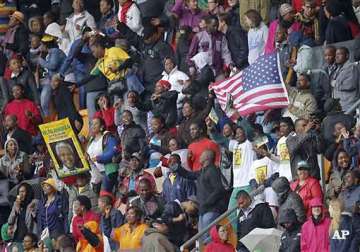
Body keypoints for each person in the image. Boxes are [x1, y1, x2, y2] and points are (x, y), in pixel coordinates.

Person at [171, 150, 228, 241]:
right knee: (203, 238)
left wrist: (207, 203)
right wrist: (176, 167)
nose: (199, 157)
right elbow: (188, 174)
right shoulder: (202, 171)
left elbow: (219, 190)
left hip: (211, 210)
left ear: (207, 158)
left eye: (202, 155)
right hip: (203, 210)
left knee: (208, 238)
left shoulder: (212, 170)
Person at [87, 117, 119, 193]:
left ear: (102, 127)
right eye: (92, 124)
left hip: (107, 172)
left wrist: (99, 158)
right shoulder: (91, 140)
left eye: (96, 123)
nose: (93, 126)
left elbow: (113, 151)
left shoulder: (108, 136)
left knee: (104, 197)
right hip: (95, 175)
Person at [37, 34, 66, 116]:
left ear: (46, 45)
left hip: (60, 79)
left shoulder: (55, 51)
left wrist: (40, 61)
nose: (40, 47)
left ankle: (48, 119)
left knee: (44, 102)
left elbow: (52, 66)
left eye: (42, 44)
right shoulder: (50, 53)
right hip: (53, 80)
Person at [332, 47, 360, 112]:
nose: (336, 57)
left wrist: (335, 84)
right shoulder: (338, 68)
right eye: (336, 55)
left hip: (348, 106)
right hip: (339, 106)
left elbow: (350, 85)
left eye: (339, 54)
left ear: (347, 56)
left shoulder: (351, 67)